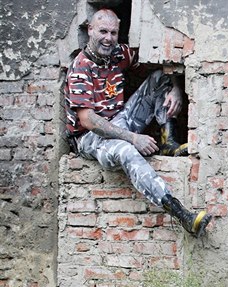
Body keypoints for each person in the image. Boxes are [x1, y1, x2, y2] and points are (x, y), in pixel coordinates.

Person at [62, 8, 211, 237]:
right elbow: (88, 120)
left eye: (113, 32)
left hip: (118, 120)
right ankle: (182, 214)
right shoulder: (81, 68)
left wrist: (176, 88)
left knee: (159, 78)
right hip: (89, 138)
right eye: (102, 31)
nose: (108, 38)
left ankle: (168, 141)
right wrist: (133, 138)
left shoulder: (119, 54)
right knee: (126, 151)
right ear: (90, 30)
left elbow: (157, 66)